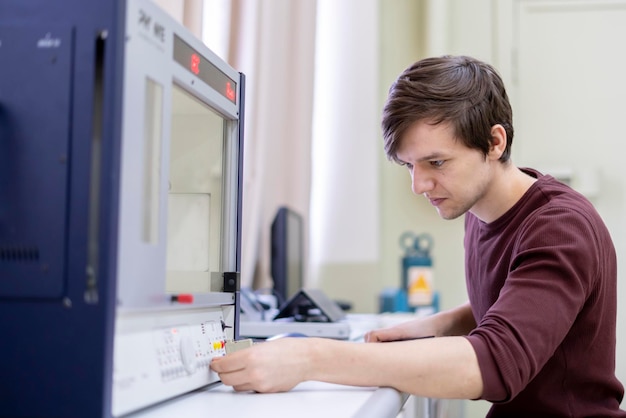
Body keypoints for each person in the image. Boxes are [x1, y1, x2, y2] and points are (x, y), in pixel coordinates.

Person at [211, 55, 626, 417]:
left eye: (436, 162)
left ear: (495, 142)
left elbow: (496, 362)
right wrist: (435, 326)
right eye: (410, 166)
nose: (420, 185)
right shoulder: (481, 207)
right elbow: (516, 298)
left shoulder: (559, 228)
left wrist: (309, 357)